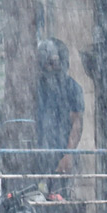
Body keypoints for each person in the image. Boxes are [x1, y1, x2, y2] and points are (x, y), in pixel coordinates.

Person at [36, 38, 83, 198]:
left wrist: (68, 155)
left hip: (61, 153)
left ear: (62, 62)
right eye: (45, 63)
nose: (48, 67)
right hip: (37, 153)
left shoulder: (72, 88)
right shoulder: (36, 87)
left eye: (52, 62)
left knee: (60, 199)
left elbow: (76, 122)